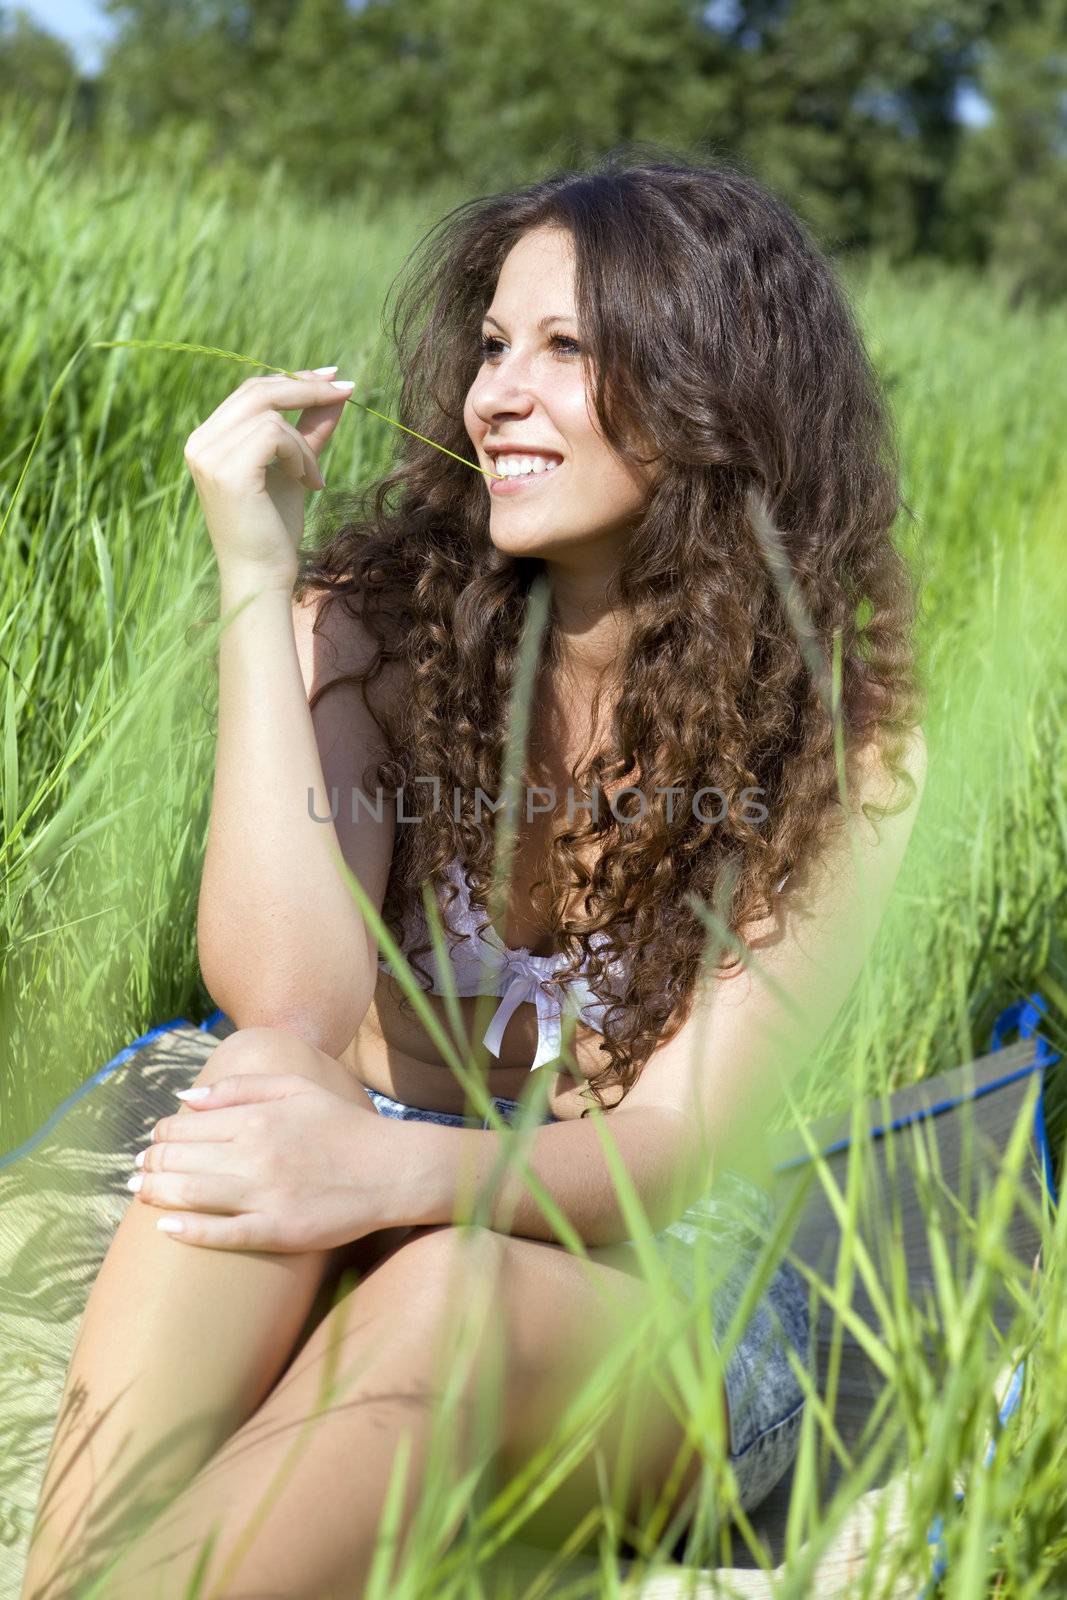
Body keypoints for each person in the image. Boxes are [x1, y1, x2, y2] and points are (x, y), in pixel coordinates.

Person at [20, 152, 927, 1600]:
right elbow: (290, 1001)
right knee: (259, 1097)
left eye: (568, 349)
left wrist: (384, 1171)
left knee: (442, 1286)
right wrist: (261, 581)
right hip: (363, 1173)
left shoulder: (843, 742)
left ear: (713, 385)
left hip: (652, 1282)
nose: (498, 395)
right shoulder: (377, 629)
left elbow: (676, 1146)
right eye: (495, 347)